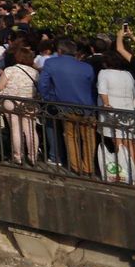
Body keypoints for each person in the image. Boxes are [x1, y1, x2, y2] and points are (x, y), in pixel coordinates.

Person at [38, 38, 98, 175]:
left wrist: (50, 98)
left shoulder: (51, 63)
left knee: (70, 136)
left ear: (59, 50)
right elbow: (92, 88)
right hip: (87, 107)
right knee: (88, 137)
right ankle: (88, 167)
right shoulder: (86, 67)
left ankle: (76, 166)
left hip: (65, 106)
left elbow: (43, 85)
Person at [97, 53, 135, 182]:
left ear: (106, 63)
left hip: (113, 111)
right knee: (130, 143)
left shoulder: (104, 73)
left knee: (118, 142)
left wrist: (106, 104)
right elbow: (133, 93)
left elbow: (102, 91)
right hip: (128, 110)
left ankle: (125, 173)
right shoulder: (128, 74)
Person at [0, 46, 41, 165]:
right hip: (29, 102)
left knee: (15, 129)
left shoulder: (10, 70)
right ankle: (33, 156)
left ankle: (18, 156)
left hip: (11, 102)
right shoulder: (34, 72)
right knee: (30, 129)